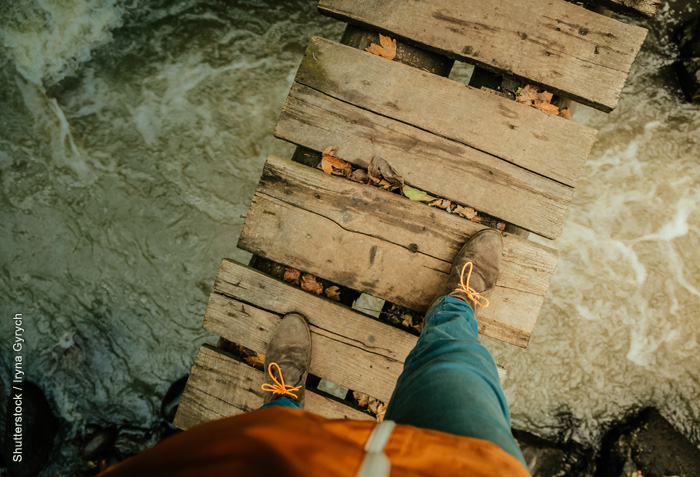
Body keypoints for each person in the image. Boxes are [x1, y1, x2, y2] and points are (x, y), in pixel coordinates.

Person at [100, 229, 530, 476]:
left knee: (274, 437)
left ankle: (283, 402)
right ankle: (455, 305)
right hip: (468, 470)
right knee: (455, 362)